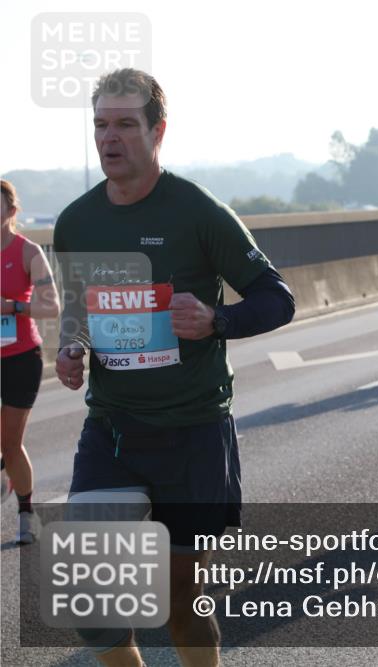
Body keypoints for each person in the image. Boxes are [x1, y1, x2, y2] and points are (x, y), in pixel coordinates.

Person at [53, 68, 295, 667]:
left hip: (192, 432)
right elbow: (80, 309)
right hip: (113, 429)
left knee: (180, 603)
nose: (111, 138)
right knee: (94, 609)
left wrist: (218, 320)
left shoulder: (198, 212)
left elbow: (277, 297)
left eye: (126, 125)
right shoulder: (76, 222)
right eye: (101, 125)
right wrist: (70, 349)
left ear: (158, 131)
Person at [1, 179, 60, 545]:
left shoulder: (27, 252)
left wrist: (13, 307)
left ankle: (26, 513)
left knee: (10, 442)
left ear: (11, 210)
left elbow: (52, 306)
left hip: (20, 357)